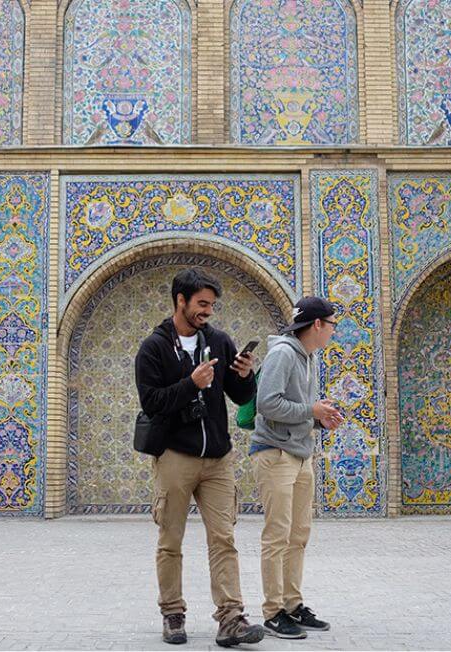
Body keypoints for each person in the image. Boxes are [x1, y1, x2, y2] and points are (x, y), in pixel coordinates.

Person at [134, 268, 266, 647]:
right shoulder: (154, 348)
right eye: (202, 304)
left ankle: (231, 619)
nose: (208, 311)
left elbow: (240, 398)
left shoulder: (220, 341)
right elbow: (151, 402)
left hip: (218, 459)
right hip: (176, 456)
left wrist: (245, 376)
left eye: (212, 304)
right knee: (170, 539)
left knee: (223, 538)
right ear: (181, 301)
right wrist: (190, 384)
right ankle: (172, 614)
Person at [250, 296, 342, 639]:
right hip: (275, 454)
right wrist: (311, 411)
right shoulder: (284, 353)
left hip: (300, 454)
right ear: (317, 324)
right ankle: (273, 611)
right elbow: (267, 403)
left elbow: (298, 409)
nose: (334, 331)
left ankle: (292, 604)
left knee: (298, 534)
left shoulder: (307, 357)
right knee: (277, 535)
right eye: (332, 324)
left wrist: (319, 419)